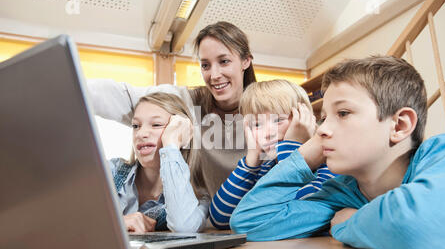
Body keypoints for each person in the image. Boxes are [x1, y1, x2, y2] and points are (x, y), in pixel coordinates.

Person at [230, 56, 445, 249]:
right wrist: (304, 157)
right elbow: (249, 222)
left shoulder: (440, 155)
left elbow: (422, 228)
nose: (322, 129)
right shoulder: (339, 194)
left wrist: (349, 223)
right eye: (324, 118)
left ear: (399, 126)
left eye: (343, 113)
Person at [88, 21, 256, 203]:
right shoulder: (188, 102)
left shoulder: (268, 108)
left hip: (256, 221)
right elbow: (121, 97)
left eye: (224, 62)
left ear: (245, 60)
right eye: (205, 65)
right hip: (206, 223)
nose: (214, 75)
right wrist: (65, 88)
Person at [209, 79, 336, 229]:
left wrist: (292, 146)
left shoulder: (329, 164)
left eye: (279, 120)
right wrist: (251, 162)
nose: (267, 133)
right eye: (256, 124)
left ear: (304, 118)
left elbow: (291, 212)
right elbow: (220, 219)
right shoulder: (265, 168)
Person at [110, 92, 209, 233]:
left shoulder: (197, 199)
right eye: (136, 126)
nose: (141, 133)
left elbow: (184, 227)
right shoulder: (111, 171)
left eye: (156, 124)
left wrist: (171, 145)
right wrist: (116, 224)